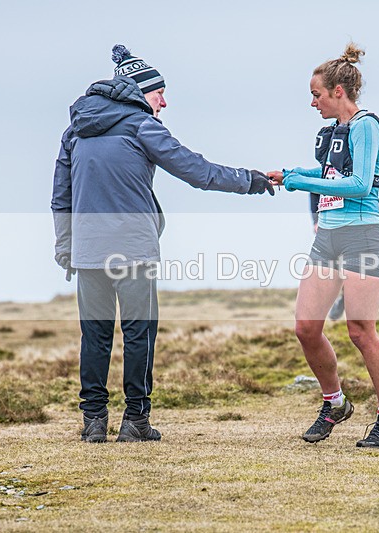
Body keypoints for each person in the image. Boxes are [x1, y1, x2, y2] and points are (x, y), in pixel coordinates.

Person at [51, 45, 275, 443]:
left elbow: (61, 196)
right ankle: (136, 420)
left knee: (95, 334)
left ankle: (93, 422)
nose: (164, 101)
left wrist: (65, 246)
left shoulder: (75, 130)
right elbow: (197, 170)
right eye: (159, 93)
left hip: (87, 249)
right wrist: (251, 180)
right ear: (138, 91)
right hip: (133, 249)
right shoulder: (142, 126)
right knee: (140, 333)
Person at [267, 43, 379, 448]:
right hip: (327, 237)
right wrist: (291, 173)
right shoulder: (334, 131)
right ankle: (335, 402)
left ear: (338, 92)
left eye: (317, 95)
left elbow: (361, 184)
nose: (313, 103)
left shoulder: (365, 126)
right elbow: (330, 172)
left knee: (361, 331)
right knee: (306, 328)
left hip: (362, 235)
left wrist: (301, 182)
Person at [311, 188, 379, 320]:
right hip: (330, 232)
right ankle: (343, 297)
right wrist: (316, 220)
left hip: (363, 232)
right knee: (334, 273)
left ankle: (348, 298)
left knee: (356, 273)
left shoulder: (369, 170)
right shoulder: (327, 170)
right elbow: (313, 190)